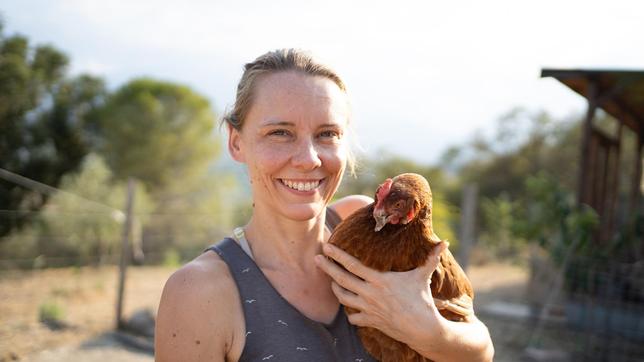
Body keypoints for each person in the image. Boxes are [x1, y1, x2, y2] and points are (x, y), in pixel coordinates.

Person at [155, 49, 494, 362]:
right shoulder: (199, 292)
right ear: (236, 142)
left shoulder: (375, 228)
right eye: (280, 133)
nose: (308, 159)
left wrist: (430, 331)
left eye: (327, 134)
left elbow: (481, 349)